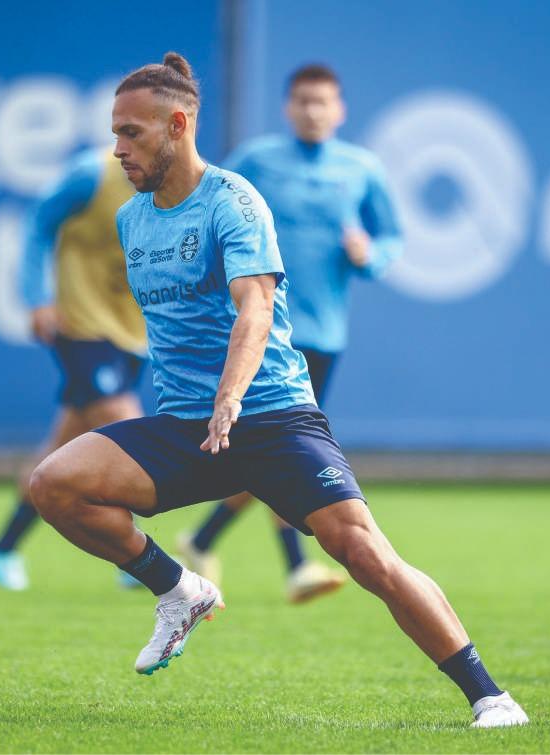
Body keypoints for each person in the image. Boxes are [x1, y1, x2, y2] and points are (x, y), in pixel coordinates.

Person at [28, 53, 529, 728]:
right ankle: (178, 589)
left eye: (132, 133)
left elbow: (255, 308)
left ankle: (491, 695)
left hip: (271, 416)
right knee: (53, 484)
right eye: (115, 132)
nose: (118, 149)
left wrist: (232, 394)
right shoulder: (134, 218)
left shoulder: (235, 201)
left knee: (364, 554)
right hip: (185, 426)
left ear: (178, 125)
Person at [178, 63, 402, 604]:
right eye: (302, 101)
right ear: (288, 107)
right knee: (283, 450)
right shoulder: (257, 160)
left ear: (339, 109)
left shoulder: (361, 169)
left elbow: (391, 237)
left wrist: (370, 257)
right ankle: (296, 565)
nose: (312, 111)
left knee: (273, 450)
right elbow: (210, 206)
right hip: (267, 331)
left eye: (322, 102)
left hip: (324, 333)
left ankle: (203, 539)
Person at [0, 148, 147, 590]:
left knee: (61, 448)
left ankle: (1, 549)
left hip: (134, 335)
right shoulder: (91, 176)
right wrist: (37, 298)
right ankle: (135, 554)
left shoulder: (182, 185)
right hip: (82, 325)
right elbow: (37, 223)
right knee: (130, 429)